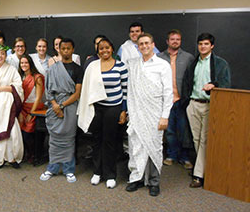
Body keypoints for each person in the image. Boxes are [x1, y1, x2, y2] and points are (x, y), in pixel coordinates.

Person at [125, 33, 173, 197]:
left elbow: (168, 92)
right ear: (138, 47)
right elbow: (130, 91)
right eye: (141, 44)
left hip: (155, 113)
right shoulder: (133, 64)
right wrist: (131, 113)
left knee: (154, 147)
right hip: (137, 112)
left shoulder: (162, 65)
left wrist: (165, 116)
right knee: (136, 147)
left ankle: (154, 182)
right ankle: (136, 178)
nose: (144, 46)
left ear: (153, 45)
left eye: (147, 43)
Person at [181, 33, 231, 188]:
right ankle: (204, 169)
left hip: (210, 105)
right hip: (194, 104)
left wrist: (213, 85)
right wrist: (187, 102)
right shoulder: (194, 63)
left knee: (204, 140)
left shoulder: (220, 64)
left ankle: (198, 175)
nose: (203, 47)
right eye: (200, 44)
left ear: (212, 46)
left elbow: (226, 84)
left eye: (206, 44)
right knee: (196, 140)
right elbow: (187, 83)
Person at [78, 37, 128, 188]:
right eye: (101, 48)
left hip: (114, 108)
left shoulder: (121, 66)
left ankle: (110, 174)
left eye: (107, 48)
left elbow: (126, 90)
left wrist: (124, 111)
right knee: (97, 140)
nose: (104, 50)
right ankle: (97, 172)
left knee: (110, 141)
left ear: (112, 49)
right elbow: (87, 88)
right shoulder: (93, 66)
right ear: (97, 51)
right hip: (97, 108)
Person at [40, 38, 83, 183]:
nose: (65, 51)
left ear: (72, 50)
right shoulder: (52, 69)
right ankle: (51, 168)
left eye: (68, 48)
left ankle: (68, 170)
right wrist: (55, 105)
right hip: (54, 105)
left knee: (69, 138)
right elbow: (48, 90)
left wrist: (62, 106)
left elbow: (77, 93)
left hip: (70, 106)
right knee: (54, 138)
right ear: (59, 49)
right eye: (62, 48)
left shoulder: (78, 69)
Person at [158, 29, 194, 169]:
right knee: (170, 130)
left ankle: (185, 157)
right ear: (167, 41)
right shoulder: (159, 57)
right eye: (172, 39)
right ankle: (172, 155)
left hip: (182, 100)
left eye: (178, 39)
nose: (175, 41)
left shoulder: (188, 57)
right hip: (166, 100)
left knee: (184, 130)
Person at [18, 54, 45, 163]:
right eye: (22, 63)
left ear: (30, 64)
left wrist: (32, 113)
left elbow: (38, 97)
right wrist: (20, 112)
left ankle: (34, 154)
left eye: (26, 63)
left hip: (34, 108)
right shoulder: (19, 77)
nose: (24, 65)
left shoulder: (37, 77)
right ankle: (27, 153)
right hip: (22, 108)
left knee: (28, 133)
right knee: (21, 134)